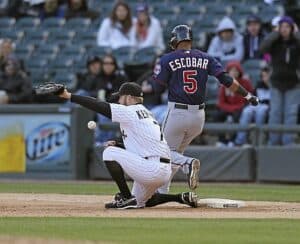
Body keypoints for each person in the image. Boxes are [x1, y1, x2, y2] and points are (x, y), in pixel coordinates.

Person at [143, 25, 258, 194]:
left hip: (178, 113)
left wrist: (143, 87)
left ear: (175, 40)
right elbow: (226, 79)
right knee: (176, 153)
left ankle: (188, 164)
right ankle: (162, 191)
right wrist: (247, 95)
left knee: (165, 153)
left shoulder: (167, 59)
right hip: (198, 117)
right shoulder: (206, 57)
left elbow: (157, 88)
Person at [59, 82, 198, 209]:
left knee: (109, 152)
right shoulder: (146, 113)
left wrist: (68, 95)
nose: (119, 100)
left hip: (151, 168)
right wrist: (120, 144)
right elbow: (145, 145)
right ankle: (180, 198)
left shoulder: (130, 111)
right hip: (162, 169)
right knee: (142, 202)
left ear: (130, 98)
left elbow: (99, 106)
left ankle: (126, 197)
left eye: (121, 97)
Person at [259, 16, 300, 145]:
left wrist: (297, 33)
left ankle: (288, 142)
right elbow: (262, 48)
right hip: (276, 82)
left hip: (294, 83)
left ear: (292, 29)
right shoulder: (274, 43)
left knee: (291, 114)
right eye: (281, 27)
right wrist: (274, 33)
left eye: (287, 27)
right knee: (275, 113)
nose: (284, 29)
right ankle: (274, 142)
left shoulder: (296, 42)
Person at [215, 61, 253, 146]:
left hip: (240, 107)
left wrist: (235, 108)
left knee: (238, 115)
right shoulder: (224, 83)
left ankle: (233, 140)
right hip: (229, 107)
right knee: (218, 115)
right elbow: (221, 102)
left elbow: (246, 99)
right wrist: (231, 108)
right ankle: (222, 140)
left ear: (239, 72)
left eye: (236, 71)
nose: (234, 72)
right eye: (232, 70)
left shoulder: (245, 82)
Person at [235, 66, 271, 145]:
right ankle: (240, 141)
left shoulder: (274, 86)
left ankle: (258, 140)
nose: (265, 78)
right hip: (258, 104)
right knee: (246, 111)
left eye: (266, 76)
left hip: (267, 106)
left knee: (261, 112)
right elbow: (254, 97)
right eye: (263, 76)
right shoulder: (259, 85)